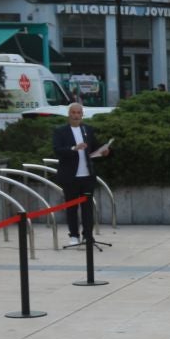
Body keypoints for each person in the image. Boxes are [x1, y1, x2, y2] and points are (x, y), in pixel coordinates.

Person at [51, 101, 108, 241]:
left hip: (87, 177)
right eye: (73, 112)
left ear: (82, 115)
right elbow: (57, 150)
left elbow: (95, 148)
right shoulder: (60, 131)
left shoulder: (87, 130)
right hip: (70, 177)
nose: (76, 116)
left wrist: (105, 151)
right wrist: (73, 149)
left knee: (87, 208)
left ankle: (88, 235)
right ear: (69, 114)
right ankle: (74, 235)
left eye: (78, 113)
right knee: (71, 208)